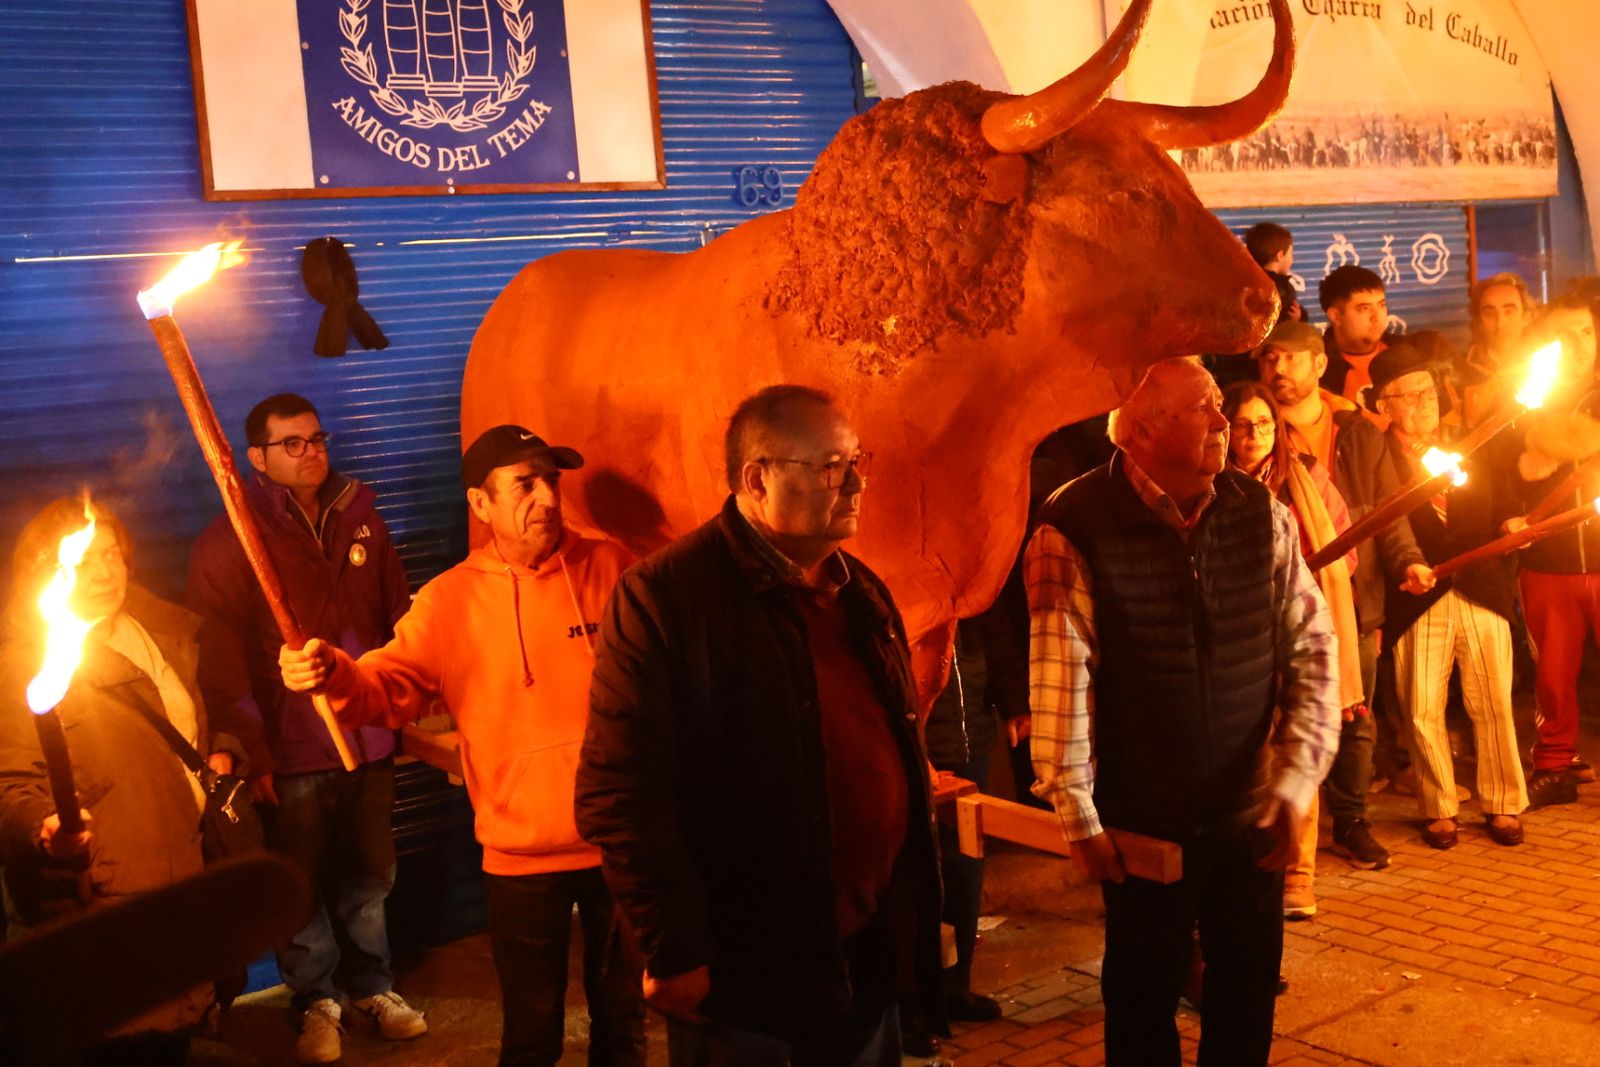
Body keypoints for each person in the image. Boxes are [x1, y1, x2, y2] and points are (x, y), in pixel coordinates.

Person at [575, 385, 942, 1067]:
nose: (857, 482)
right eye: (832, 467)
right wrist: (672, 947)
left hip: (863, 952)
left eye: (857, 459)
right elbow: (620, 791)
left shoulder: (859, 589)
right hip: (744, 973)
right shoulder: (666, 598)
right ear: (757, 478)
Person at [276, 425, 646, 1067]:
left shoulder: (611, 567)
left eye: (551, 481)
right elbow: (384, 688)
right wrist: (333, 673)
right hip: (520, 855)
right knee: (532, 1033)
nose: (547, 499)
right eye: (525, 484)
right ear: (481, 504)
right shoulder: (450, 601)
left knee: (625, 1024)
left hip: (619, 843)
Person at [1027, 358, 1339, 1066]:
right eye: (1203, 408)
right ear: (1140, 430)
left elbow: (1313, 648)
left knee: (1246, 990)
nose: (1224, 422)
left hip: (1250, 810)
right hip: (1142, 819)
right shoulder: (1074, 523)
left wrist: (1293, 784)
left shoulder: (1260, 513)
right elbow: (1059, 673)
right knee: (1141, 995)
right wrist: (1076, 808)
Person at [186, 393, 421, 1064]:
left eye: (316, 438)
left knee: (371, 874)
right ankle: (316, 998)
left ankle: (373, 985)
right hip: (289, 752)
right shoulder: (230, 541)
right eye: (292, 442)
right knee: (299, 883)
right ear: (256, 458)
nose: (311, 450)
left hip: (365, 739)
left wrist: (395, 712)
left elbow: (398, 622)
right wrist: (251, 747)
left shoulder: (361, 519)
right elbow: (221, 660)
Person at [1, 497, 245, 1065]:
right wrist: (43, 829)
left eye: (111, 554)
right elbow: (11, 785)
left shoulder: (158, 631)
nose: (106, 572)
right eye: (85, 561)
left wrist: (222, 754)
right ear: (50, 573)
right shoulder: (30, 666)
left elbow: (195, 723)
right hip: (106, 902)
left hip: (183, 878)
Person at [1256, 320, 1431, 869]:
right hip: (1280, 601)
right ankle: (1283, 827)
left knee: (1354, 716)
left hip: (1355, 596)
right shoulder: (1254, 429)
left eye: (1289, 358)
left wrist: (1409, 561)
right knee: (1278, 719)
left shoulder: (1358, 431)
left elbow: (1388, 510)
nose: (1278, 370)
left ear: (1318, 364)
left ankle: (1350, 819)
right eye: (1268, 360)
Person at [1367, 340, 1529, 849]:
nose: (1423, 402)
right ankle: (1438, 806)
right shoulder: (1377, 458)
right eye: (1408, 395)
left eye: (1428, 392)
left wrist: (1512, 522)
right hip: (1418, 595)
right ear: (1383, 406)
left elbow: (1503, 499)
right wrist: (1408, 564)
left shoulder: (1473, 442)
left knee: (1493, 701)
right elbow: (1383, 527)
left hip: (1481, 586)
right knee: (1421, 706)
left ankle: (1503, 801)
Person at [1222, 382, 1364, 919]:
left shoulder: (1308, 481)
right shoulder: (1212, 484)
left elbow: (1344, 553)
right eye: (1242, 424)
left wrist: (1298, 580)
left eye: (1263, 423)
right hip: (1241, 638)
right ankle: (1254, 864)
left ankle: (1299, 875)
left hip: (1298, 630)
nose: (1254, 434)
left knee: (1297, 747)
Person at [1508, 294, 1600, 808]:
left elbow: (1569, 441)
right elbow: (1515, 468)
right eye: (1563, 334)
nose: (1577, 344)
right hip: (1548, 564)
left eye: (1585, 332)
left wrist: (1549, 444)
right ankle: (1554, 765)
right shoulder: (1526, 399)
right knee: (1552, 677)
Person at [923, 605, 1029, 1018]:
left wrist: (1016, 702)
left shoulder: (974, 576)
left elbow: (998, 637)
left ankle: (955, 987)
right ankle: (916, 999)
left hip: (972, 742)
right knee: (920, 874)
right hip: (924, 750)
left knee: (966, 865)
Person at [1460, 272, 1536, 429]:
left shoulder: (1543, 368)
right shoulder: (1460, 372)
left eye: (1509, 312)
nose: (1500, 322)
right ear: (1478, 321)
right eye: (1489, 313)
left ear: (1526, 317)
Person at [1318, 265, 1398, 410]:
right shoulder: (1317, 372)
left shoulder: (1406, 353)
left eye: (1381, 305)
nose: (1377, 317)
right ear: (1335, 316)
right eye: (1364, 309)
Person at [1244, 222, 1302, 322]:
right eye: (1291, 254)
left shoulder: (1246, 283)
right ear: (1280, 255)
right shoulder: (1283, 290)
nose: (1292, 259)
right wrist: (1297, 319)